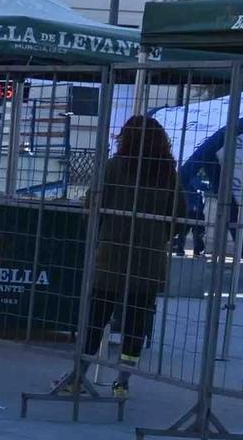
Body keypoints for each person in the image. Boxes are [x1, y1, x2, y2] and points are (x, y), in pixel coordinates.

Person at [71, 114, 186, 396]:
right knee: (136, 323)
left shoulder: (114, 167)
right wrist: (159, 235)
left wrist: (102, 234)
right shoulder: (167, 173)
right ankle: (122, 382)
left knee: (96, 319)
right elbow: (180, 216)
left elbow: (93, 204)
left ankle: (78, 376)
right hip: (149, 258)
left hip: (112, 254)